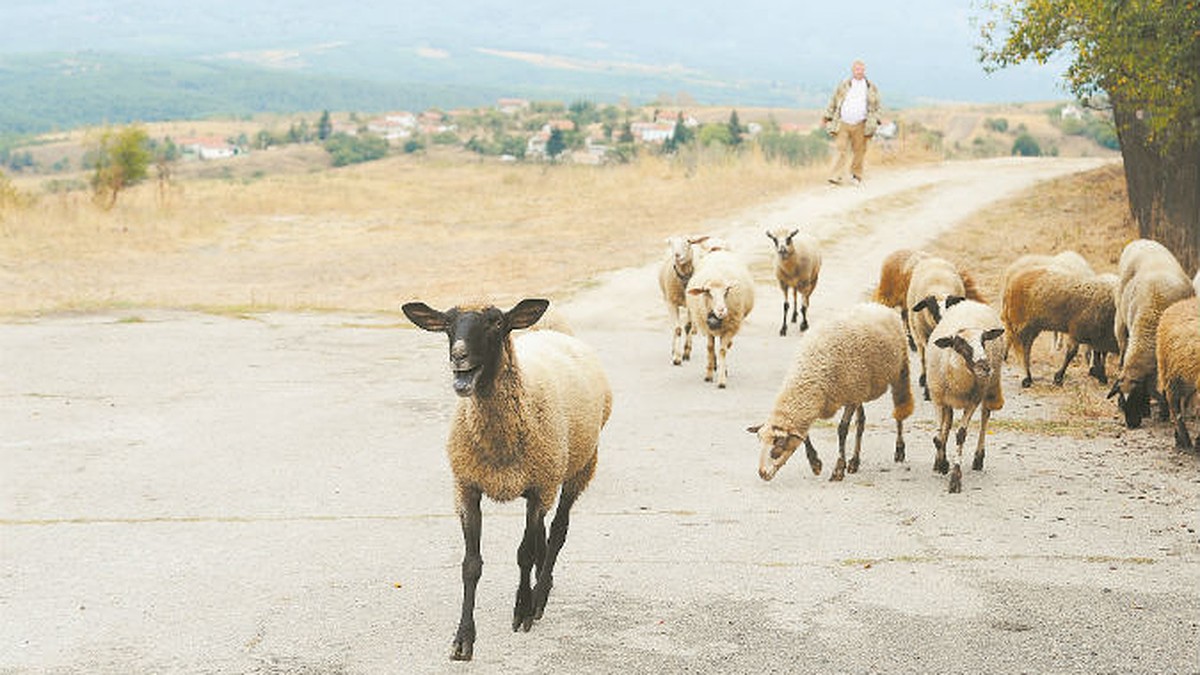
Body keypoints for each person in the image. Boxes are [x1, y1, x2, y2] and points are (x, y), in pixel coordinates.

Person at [823, 60, 882, 186]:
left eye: (861, 70)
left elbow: (876, 106)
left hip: (861, 123)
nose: (859, 72)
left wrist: (876, 121)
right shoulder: (844, 85)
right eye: (856, 70)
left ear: (864, 71)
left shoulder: (870, 87)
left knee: (859, 151)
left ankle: (856, 176)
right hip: (843, 122)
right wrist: (827, 116)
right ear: (852, 71)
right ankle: (836, 176)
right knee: (841, 149)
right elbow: (834, 101)